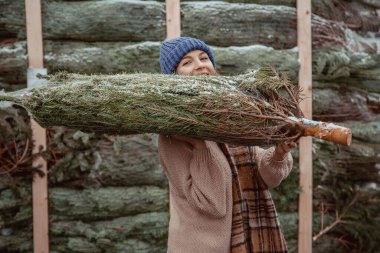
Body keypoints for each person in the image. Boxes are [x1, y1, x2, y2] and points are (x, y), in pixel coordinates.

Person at [158, 37, 296, 253]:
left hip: (252, 239)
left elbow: (265, 177)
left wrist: (278, 153)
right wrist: (200, 147)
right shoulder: (172, 132)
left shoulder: (232, 115)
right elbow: (212, 204)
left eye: (204, 58)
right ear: (173, 77)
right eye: (187, 62)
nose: (200, 65)